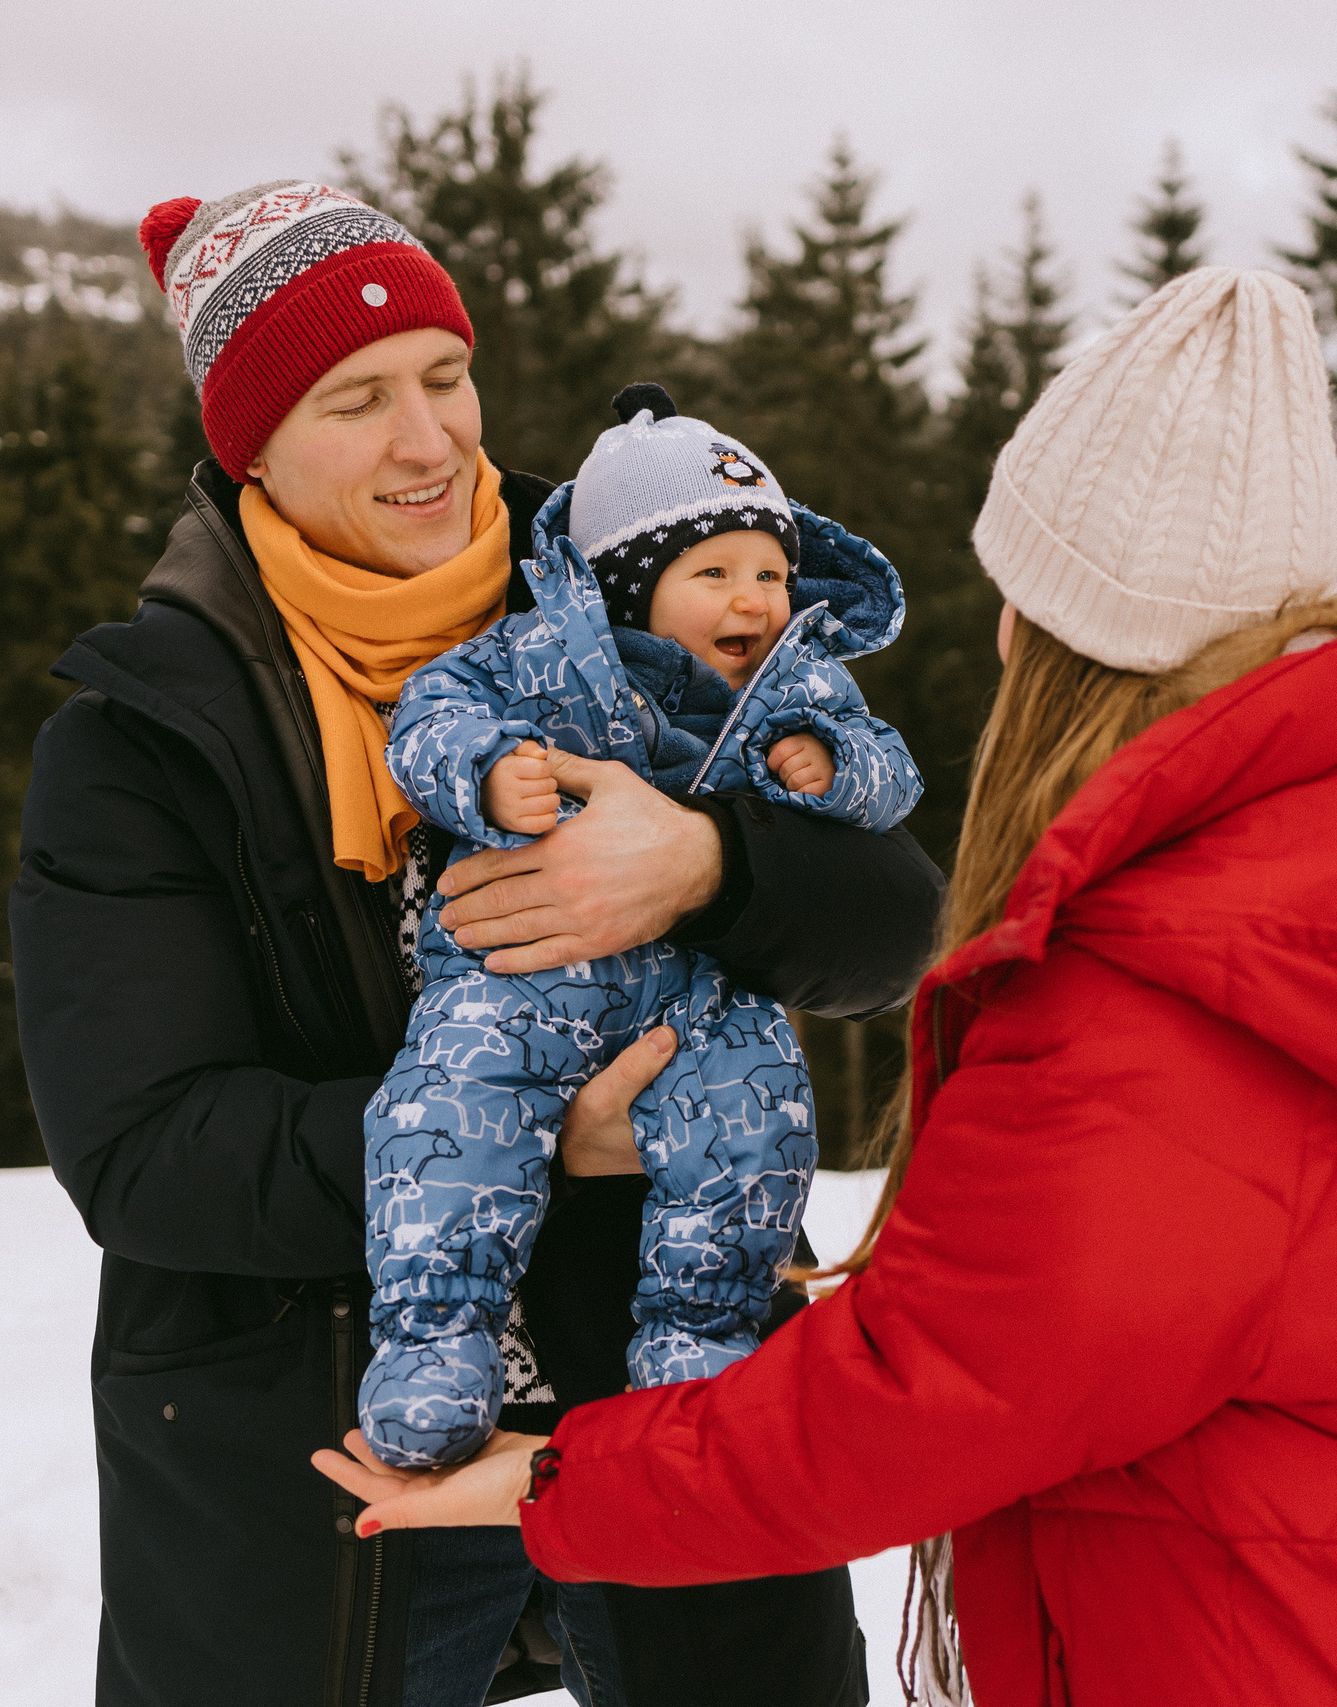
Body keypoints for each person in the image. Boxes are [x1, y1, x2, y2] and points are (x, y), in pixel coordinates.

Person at [314, 268, 1337, 1707]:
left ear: (1067, 628)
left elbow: (919, 1394)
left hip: (1330, 1641)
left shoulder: (1162, 990)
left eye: (1014, 594)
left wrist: (560, 1476)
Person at [11, 178, 938, 1707]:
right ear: (253, 444)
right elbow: (146, 1150)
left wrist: (706, 862)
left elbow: (889, 917)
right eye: (356, 400)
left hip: (653, 1397)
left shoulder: (624, 593)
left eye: (446, 376)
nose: (432, 440)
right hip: (315, 1462)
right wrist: (526, 1141)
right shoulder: (143, 740)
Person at [363, 382, 920, 1467]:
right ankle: (438, 1339)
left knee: (755, 1129)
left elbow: (891, 781)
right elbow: (431, 714)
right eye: (712, 573)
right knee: (446, 1111)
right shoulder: (536, 654)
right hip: (522, 980)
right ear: (626, 584)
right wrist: (486, 775)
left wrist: (835, 768)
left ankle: (704, 1348)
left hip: (703, 994)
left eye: (769, 572)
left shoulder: (801, 686)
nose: (752, 599)